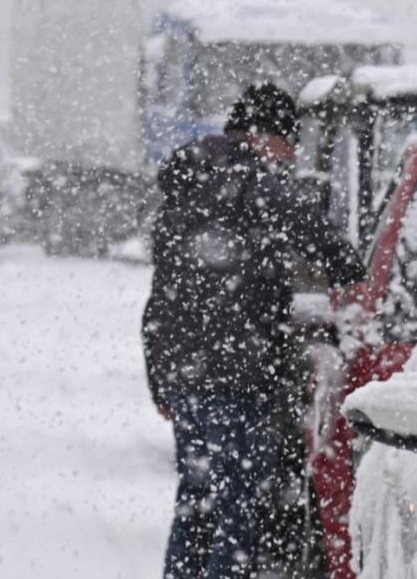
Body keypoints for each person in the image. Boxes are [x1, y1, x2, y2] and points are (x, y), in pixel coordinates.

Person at [142, 83, 365, 579]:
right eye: (286, 143)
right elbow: (313, 231)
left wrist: (161, 380)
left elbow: (160, 299)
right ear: (264, 133)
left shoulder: (187, 184)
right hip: (235, 373)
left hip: (185, 373)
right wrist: (350, 269)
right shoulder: (251, 180)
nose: (288, 156)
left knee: (197, 500)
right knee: (238, 511)